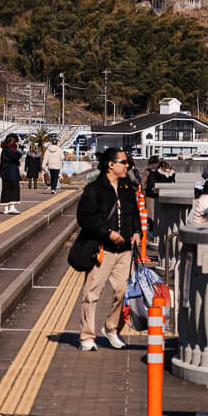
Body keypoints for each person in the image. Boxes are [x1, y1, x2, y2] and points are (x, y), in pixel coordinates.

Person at [74, 148, 141, 352]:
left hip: (125, 249)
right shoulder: (94, 189)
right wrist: (108, 232)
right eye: (123, 162)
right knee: (92, 293)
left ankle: (112, 328)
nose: (127, 165)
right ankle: (87, 336)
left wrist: (137, 231)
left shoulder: (128, 188)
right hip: (102, 248)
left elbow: (135, 213)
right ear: (111, 165)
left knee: (124, 292)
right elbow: (84, 218)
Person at [0, 135, 23, 214]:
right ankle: (11, 207)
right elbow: (16, 156)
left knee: (6, 190)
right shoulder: (9, 150)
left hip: (5, 172)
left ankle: (6, 207)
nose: (17, 144)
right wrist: (19, 152)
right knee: (13, 189)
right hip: (11, 173)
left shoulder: (4, 149)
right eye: (16, 142)